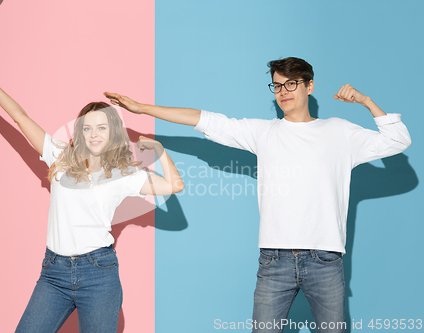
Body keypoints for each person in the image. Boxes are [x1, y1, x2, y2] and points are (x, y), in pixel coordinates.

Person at [104, 57, 411, 333]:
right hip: (274, 260)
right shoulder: (264, 132)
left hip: (325, 259)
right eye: (277, 85)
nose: (283, 91)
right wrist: (143, 108)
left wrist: (365, 101)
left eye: (291, 83)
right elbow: (203, 119)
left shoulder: (339, 131)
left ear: (310, 86)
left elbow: (398, 139)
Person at [0, 59, 184, 333]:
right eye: (87, 128)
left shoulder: (123, 175)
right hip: (53, 273)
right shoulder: (60, 156)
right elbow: (20, 117)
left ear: (113, 132)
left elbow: (175, 185)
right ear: (79, 132)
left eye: (101, 127)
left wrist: (159, 149)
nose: (94, 134)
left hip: (98, 274)